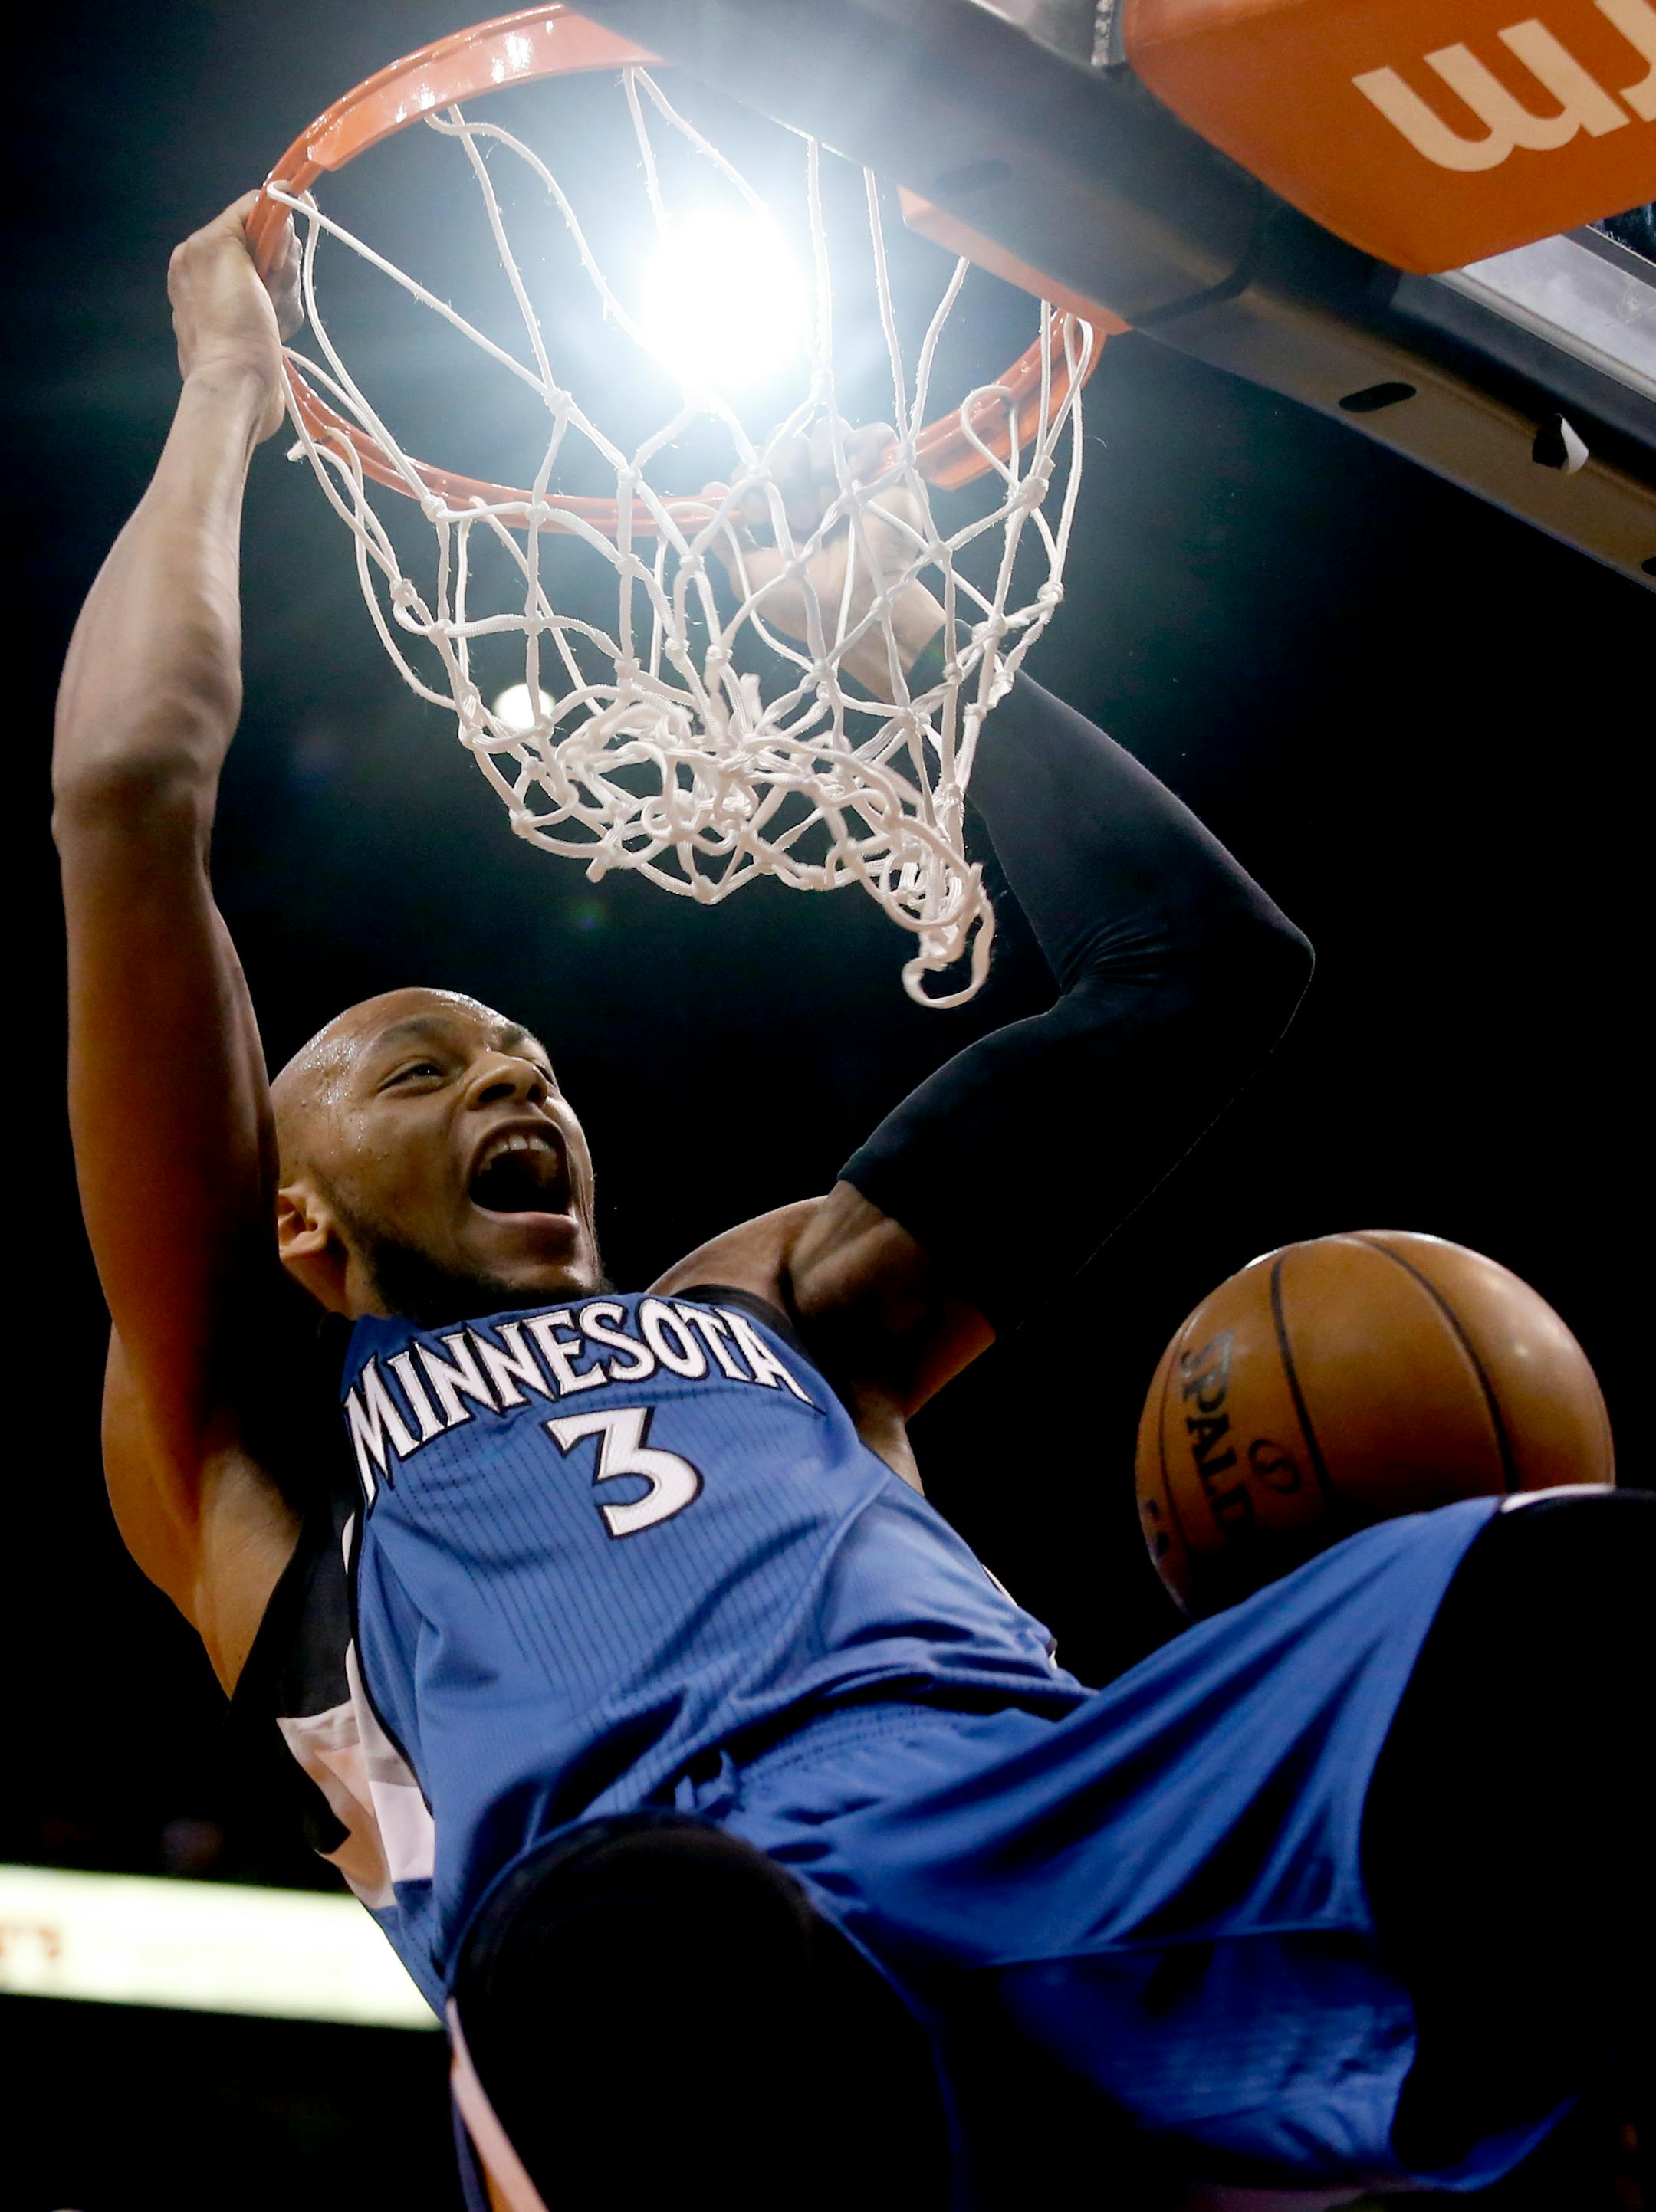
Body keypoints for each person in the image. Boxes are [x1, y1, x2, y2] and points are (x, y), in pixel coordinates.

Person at [54, 197, 1646, 2212]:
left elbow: (1202, 973)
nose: (516, 1070)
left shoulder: (780, 1307)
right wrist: (221, 390)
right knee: (637, 1942)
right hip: (674, 1973)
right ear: (294, 1218)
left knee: (1570, 1610)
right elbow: (127, 804)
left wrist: (917, 657)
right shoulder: (254, 1455)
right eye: (423, 1065)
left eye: (524, 1050)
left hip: (1052, 1821)